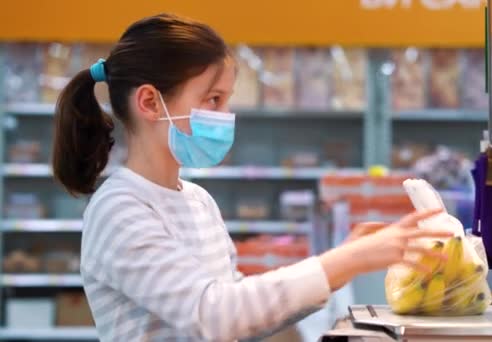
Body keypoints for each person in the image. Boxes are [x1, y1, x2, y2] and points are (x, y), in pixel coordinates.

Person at [51, 13, 450, 342]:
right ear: (151, 102)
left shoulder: (196, 200)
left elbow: (239, 311)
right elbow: (214, 315)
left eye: (226, 100)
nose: (224, 116)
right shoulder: (118, 209)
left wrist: (338, 269)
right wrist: (344, 262)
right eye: (212, 99)